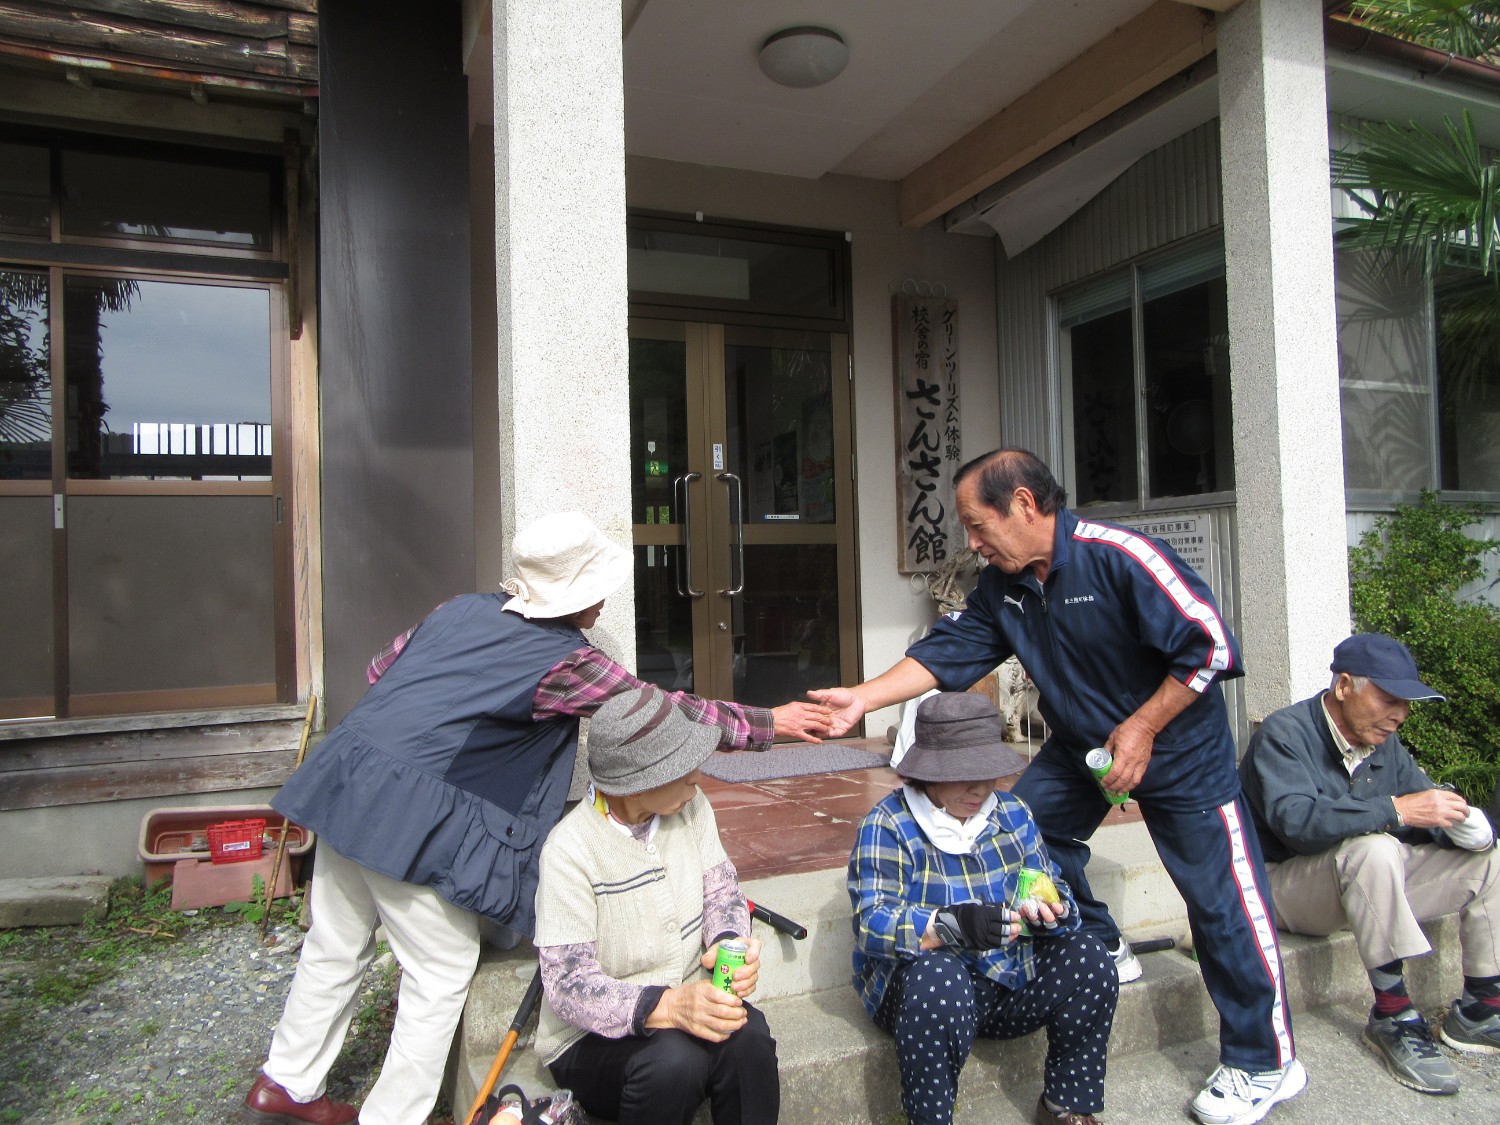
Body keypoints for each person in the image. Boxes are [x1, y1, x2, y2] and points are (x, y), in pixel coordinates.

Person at [242, 514, 828, 1125]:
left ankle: (287, 1082)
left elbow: (381, 669)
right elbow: (659, 716)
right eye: (596, 587)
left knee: (334, 943)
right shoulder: (565, 662)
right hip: (412, 818)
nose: (604, 600)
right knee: (439, 970)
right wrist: (770, 723)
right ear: (572, 595)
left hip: (348, 780)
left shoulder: (458, 609)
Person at [812, 449, 1301, 1125]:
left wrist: (1143, 726)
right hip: (1083, 749)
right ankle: (1097, 936)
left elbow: (1210, 645)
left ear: (1023, 504)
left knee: (1222, 901)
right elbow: (947, 653)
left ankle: (1263, 1059)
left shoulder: (1120, 557)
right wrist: (861, 699)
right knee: (1027, 832)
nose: (971, 542)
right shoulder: (1004, 586)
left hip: (1178, 747)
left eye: (977, 524)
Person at [1239, 632, 1500, 1095]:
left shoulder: (1384, 743)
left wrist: (1463, 827)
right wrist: (1397, 810)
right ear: (1344, 686)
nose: (1399, 714)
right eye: (1388, 699)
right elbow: (1298, 824)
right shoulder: (1283, 733)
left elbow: (1420, 808)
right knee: (1373, 848)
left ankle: (1482, 1008)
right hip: (1282, 887)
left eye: (1406, 704)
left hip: (1359, 883)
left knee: (1488, 860)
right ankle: (1392, 1013)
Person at [849, 692, 1117, 1125]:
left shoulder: (1014, 814)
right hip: (927, 994)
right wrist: (948, 926)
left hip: (1007, 979)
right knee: (939, 978)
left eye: (987, 774)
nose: (979, 789)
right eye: (963, 776)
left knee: (1091, 958)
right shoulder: (889, 825)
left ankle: (1065, 1105)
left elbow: (1053, 886)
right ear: (928, 772)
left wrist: (1051, 911)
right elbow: (871, 924)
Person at [533, 685, 779, 1125]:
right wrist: (666, 1006)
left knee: (750, 1039)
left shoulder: (691, 809)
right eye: (681, 769)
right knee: (674, 1062)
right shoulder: (569, 851)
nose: (696, 778)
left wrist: (729, 944)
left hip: (686, 994)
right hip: (591, 1037)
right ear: (634, 784)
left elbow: (722, 892)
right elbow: (569, 985)